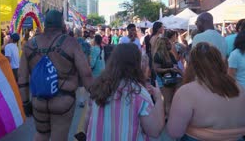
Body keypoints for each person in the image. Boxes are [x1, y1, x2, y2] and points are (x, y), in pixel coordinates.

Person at [18, 10, 93, 141]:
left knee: (41, 134)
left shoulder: (30, 45)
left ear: (45, 24)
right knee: (59, 138)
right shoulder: (71, 43)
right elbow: (86, 74)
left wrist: (25, 103)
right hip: (63, 100)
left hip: (39, 100)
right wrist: (96, 96)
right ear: (62, 24)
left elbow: (22, 78)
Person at [167, 43, 245, 141]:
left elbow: (174, 132)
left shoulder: (186, 92)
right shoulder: (240, 88)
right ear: (221, 63)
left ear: (191, 66)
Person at [86, 43, 165, 140]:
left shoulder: (98, 86)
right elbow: (155, 131)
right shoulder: (139, 94)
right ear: (136, 64)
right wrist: (159, 98)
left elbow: (88, 120)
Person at [153, 37, 182, 117]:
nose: (170, 45)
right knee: (168, 101)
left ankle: (167, 117)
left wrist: (181, 73)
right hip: (164, 80)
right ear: (163, 45)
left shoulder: (170, 54)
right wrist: (169, 69)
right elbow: (157, 69)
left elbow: (175, 65)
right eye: (168, 44)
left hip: (171, 79)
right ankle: (169, 119)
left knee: (170, 101)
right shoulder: (158, 55)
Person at [75, 28, 91, 108]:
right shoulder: (86, 44)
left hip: (74, 66)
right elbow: (88, 57)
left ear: (75, 34)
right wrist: (88, 66)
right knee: (82, 84)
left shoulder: (72, 43)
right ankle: (81, 100)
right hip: (83, 66)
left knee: (73, 83)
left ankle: (73, 99)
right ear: (81, 34)